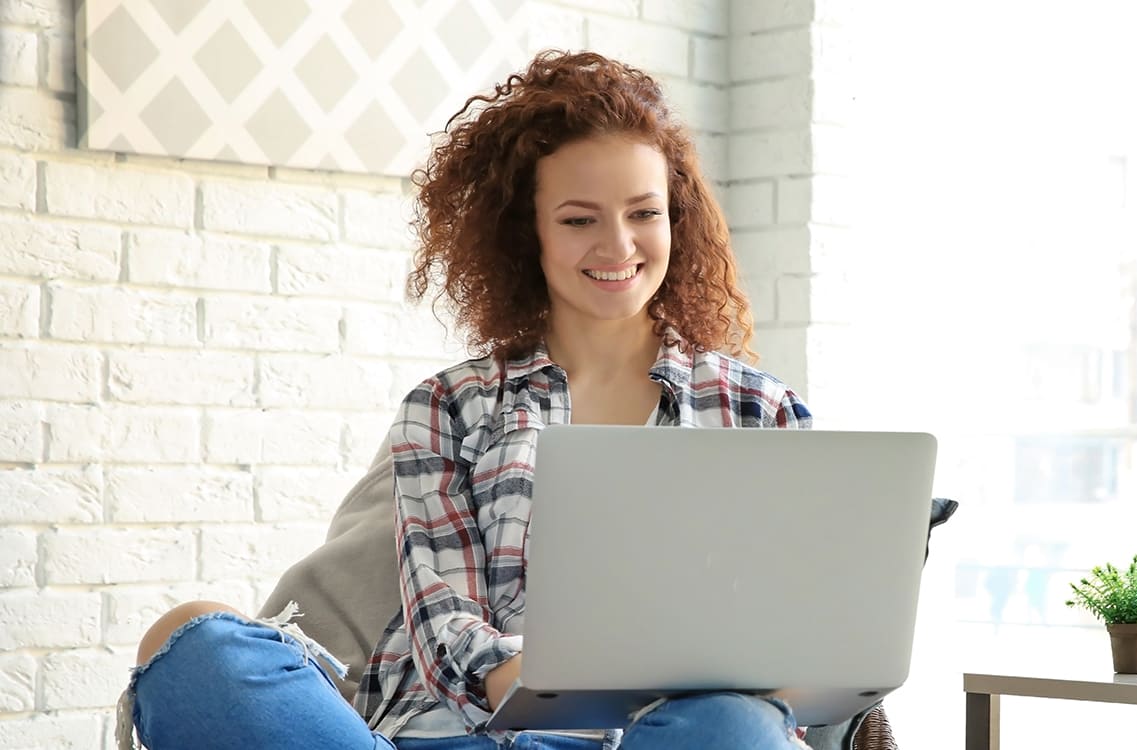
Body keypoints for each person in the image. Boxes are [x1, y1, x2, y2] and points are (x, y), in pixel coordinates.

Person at [123, 50, 816, 750]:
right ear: (528, 233)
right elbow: (446, 624)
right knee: (196, 646)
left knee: (734, 723)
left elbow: (793, 633)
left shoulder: (758, 409)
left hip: (655, 738)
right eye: (579, 220)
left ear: (677, 219)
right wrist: (550, 683)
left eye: (644, 213)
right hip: (451, 735)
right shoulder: (448, 407)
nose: (618, 244)